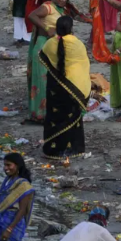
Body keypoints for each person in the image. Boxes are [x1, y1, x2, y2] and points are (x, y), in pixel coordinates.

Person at [41, 16, 90, 157]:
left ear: (56, 28)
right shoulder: (78, 44)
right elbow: (83, 66)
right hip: (73, 89)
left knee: (55, 117)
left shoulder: (50, 44)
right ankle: (74, 149)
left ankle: (54, 150)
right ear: (71, 28)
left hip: (55, 88)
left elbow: (44, 59)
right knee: (72, 117)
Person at [26, 0, 70, 123]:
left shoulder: (62, 11)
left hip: (54, 48)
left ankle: (50, 111)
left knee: (51, 80)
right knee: (41, 80)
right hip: (43, 46)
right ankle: (40, 114)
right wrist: (46, 28)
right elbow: (32, 15)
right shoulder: (48, 7)